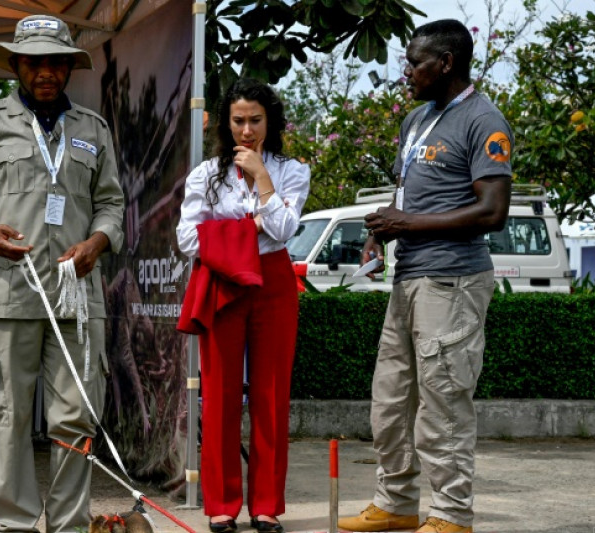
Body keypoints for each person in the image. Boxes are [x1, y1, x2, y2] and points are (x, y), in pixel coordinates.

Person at [0, 14, 124, 533]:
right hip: (6, 292)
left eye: (56, 62)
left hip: (76, 294)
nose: (46, 72)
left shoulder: (93, 129)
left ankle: (69, 525)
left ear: (69, 67)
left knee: (76, 416)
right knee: (7, 415)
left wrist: (97, 242)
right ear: (16, 66)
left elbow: (111, 204)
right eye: (34, 62)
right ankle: (15, 525)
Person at [337, 19, 512, 533]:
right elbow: (408, 195)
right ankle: (396, 503)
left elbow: (493, 211)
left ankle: (452, 515)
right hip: (408, 277)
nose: (407, 72)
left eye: (416, 63)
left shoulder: (484, 120)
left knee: (443, 404)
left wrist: (407, 224)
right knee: (390, 400)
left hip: (452, 282)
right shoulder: (416, 120)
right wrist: (382, 233)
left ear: (447, 63)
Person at [176, 78, 310, 533]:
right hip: (223, 281)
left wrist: (262, 179)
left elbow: (285, 230)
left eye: (256, 120)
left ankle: (267, 504)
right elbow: (187, 238)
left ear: (270, 122)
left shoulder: (291, 171)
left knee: (271, 394)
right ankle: (222, 504)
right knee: (219, 395)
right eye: (239, 121)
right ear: (225, 123)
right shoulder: (205, 174)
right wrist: (247, 229)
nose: (247, 130)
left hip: (273, 281)